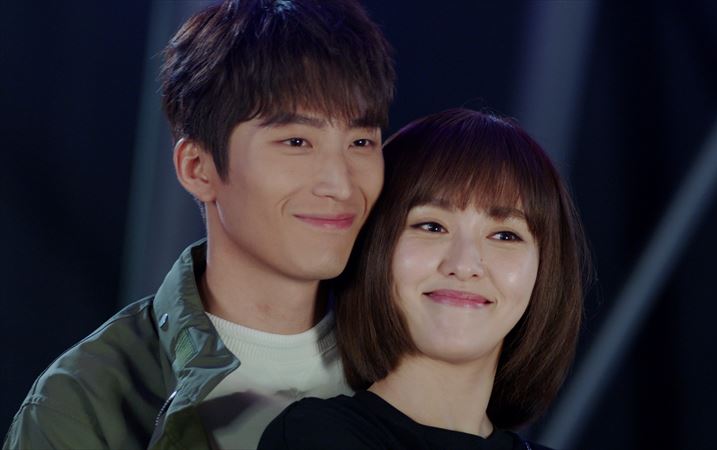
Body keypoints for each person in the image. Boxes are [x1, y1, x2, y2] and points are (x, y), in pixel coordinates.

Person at [3, 0, 394, 449]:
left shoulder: (413, 352)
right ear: (197, 168)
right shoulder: (85, 402)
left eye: (361, 142)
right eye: (296, 141)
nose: (341, 185)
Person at [259, 108, 588, 449]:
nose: (464, 265)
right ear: (374, 248)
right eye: (432, 226)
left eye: (505, 235)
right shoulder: (314, 436)